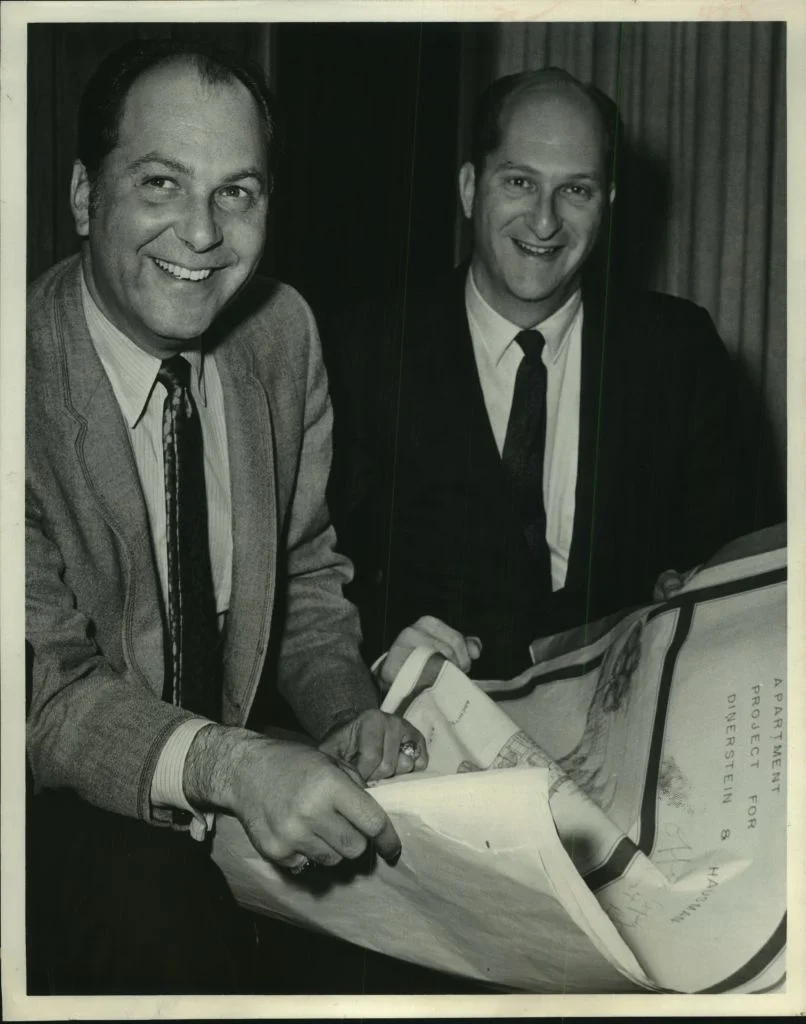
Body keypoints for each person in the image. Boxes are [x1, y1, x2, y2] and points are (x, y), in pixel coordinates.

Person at [25, 39, 427, 995]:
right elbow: (39, 695)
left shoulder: (280, 332)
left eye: (237, 191)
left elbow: (305, 574)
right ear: (86, 195)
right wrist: (235, 768)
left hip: (225, 796)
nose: (203, 233)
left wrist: (348, 713)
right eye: (162, 182)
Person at [326, 67, 747, 682]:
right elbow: (314, 587)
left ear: (606, 202)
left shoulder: (679, 350)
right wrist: (385, 659)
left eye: (575, 190)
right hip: (426, 731)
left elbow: (724, 563)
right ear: (471, 187)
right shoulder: (360, 352)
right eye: (520, 182)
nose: (545, 222)